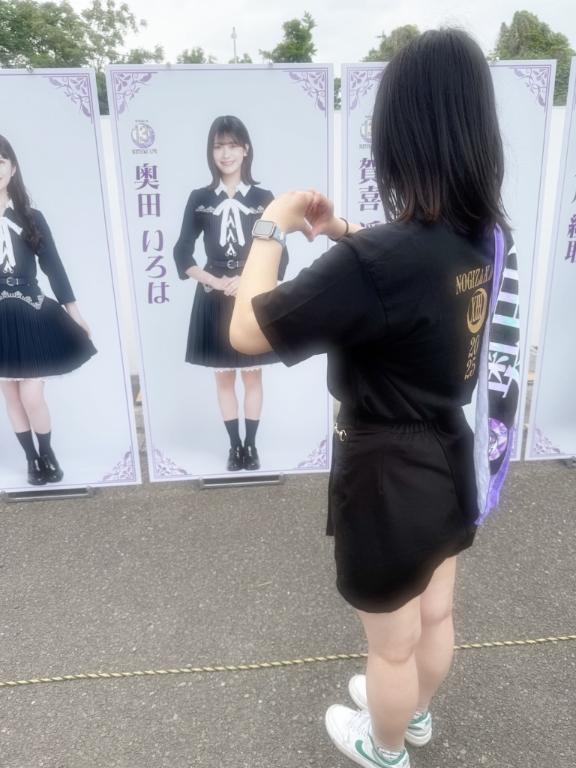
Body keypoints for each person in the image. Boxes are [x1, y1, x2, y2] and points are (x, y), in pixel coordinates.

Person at [230, 30, 519, 768]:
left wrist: (271, 226)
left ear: (399, 135)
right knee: (436, 613)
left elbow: (246, 329)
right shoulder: (481, 236)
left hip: (386, 473)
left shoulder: (379, 260)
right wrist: (340, 231)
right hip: (448, 454)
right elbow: (404, 264)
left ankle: (384, 747)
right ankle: (413, 717)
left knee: (389, 649)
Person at [174, 115, 288, 473]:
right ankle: (233, 446)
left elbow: (279, 252)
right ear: (211, 152)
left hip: (251, 299)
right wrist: (212, 279)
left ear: (245, 149)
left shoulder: (265, 199)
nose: (225, 154)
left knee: (252, 375)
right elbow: (182, 253)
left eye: (232, 146)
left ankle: (251, 447)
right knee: (223, 377)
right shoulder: (199, 198)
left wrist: (248, 280)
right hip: (213, 297)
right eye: (218, 146)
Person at [0, 135, 96, 487]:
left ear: (13, 167)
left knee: (31, 394)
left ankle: (47, 452)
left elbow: (53, 266)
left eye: (0, 162)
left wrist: (74, 311)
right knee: (11, 394)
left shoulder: (31, 217)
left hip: (30, 312)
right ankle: (31, 460)